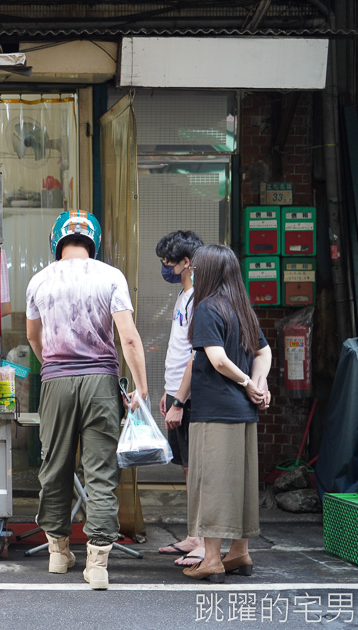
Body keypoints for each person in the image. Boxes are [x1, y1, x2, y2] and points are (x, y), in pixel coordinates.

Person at [25, 210, 148, 590]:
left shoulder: (39, 281)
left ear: (56, 241)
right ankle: (97, 565)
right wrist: (140, 389)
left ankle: (58, 554)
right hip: (101, 382)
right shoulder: (111, 276)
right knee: (100, 473)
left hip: (56, 383)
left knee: (55, 467)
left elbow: (34, 337)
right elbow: (127, 337)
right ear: (93, 240)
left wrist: (56, 368)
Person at [182, 244, 271, 583]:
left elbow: (217, 360)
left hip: (215, 411)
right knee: (241, 482)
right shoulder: (242, 308)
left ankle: (213, 560)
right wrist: (259, 384)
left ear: (206, 273)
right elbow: (264, 351)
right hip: (244, 413)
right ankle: (239, 553)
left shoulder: (207, 308)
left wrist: (250, 382)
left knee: (213, 484)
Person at [154, 230, 206, 567]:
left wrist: (179, 401)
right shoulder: (183, 296)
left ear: (186, 262)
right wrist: (168, 391)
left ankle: (204, 541)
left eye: (167, 262)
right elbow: (177, 350)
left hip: (189, 398)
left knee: (198, 469)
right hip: (176, 392)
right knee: (187, 468)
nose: (165, 267)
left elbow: (195, 356)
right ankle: (193, 536)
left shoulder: (199, 297)